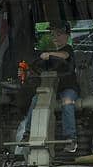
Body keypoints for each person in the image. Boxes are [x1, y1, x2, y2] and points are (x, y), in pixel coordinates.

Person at [15, 22, 79, 150]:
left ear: (67, 36)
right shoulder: (48, 56)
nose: (55, 37)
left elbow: (64, 55)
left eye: (59, 34)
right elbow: (39, 69)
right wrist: (27, 72)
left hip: (67, 89)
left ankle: (70, 138)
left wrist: (50, 54)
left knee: (67, 102)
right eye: (53, 34)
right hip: (51, 88)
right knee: (35, 100)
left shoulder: (68, 49)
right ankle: (27, 134)